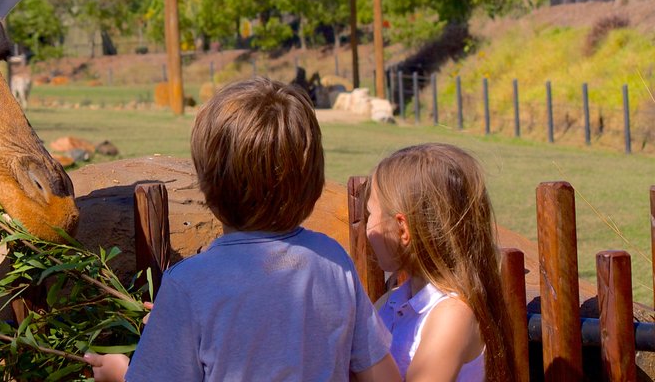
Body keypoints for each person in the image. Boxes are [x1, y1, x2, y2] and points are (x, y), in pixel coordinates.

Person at [85, 77, 399, 382]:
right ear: (313, 181)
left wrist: (121, 372)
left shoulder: (189, 284)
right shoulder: (334, 261)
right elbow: (382, 376)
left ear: (207, 186)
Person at [365, 143, 522, 382]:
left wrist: (358, 339)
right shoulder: (391, 301)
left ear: (402, 228)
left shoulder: (453, 314)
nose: (368, 229)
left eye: (370, 215)